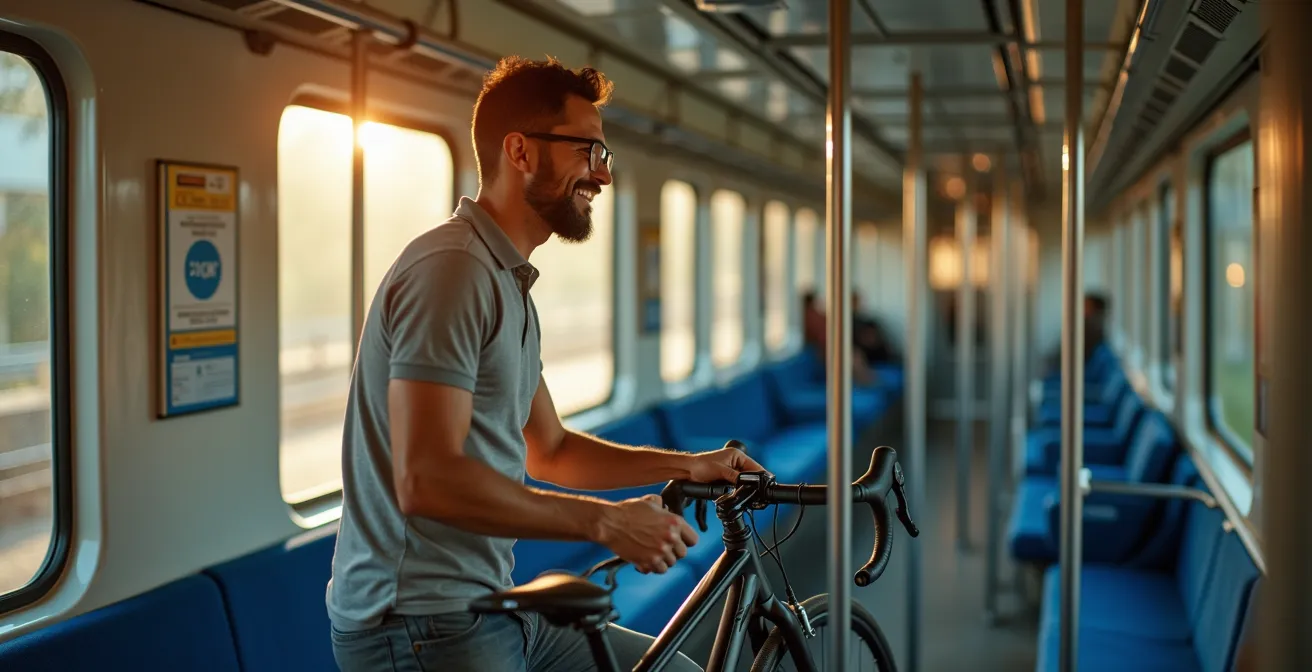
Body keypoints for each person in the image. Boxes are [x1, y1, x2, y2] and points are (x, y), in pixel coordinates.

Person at [326, 56, 763, 672]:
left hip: (489, 605)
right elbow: (426, 478)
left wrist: (688, 463)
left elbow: (551, 450)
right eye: (588, 151)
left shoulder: (507, 281)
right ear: (520, 151)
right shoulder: (454, 271)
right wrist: (605, 524)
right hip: (423, 626)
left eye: (604, 156)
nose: (602, 175)